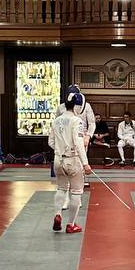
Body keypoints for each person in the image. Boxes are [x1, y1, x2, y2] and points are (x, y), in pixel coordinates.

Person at [48, 92, 89, 234]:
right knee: (76, 191)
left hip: (58, 160)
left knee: (61, 188)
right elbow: (79, 144)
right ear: (78, 106)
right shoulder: (77, 121)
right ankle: (71, 224)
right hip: (73, 160)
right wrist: (85, 163)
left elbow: (51, 142)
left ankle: (58, 214)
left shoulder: (56, 120)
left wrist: (60, 150)